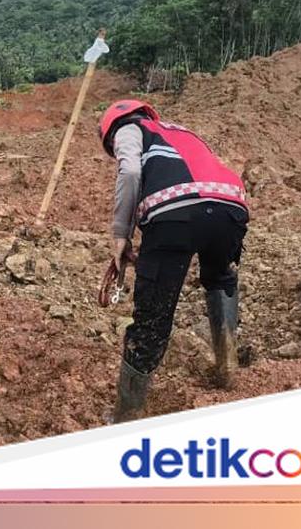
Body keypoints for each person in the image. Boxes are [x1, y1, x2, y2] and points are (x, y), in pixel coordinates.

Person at [100, 100, 249, 423]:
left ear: (112, 130)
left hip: (175, 214)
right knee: (221, 278)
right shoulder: (183, 132)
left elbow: (130, 170)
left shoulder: (128, 129)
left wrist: (120, 234)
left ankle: (127, 415)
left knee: (152, 316)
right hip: (231, 206)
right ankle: (227, 369)